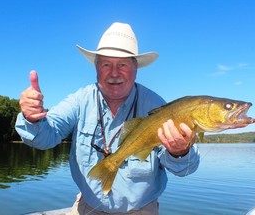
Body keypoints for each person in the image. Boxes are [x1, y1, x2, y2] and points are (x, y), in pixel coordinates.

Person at [15, 22, 200, 215]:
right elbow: (45, 138)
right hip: (87, 206)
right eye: (106, 64)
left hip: (142, 210)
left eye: (122, 64)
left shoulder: (156, 105)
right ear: (96, 67)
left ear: (135, 68)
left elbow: (185, 169)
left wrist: (180, 152)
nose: (114, 73)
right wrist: (32, 119)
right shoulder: (79, 100)